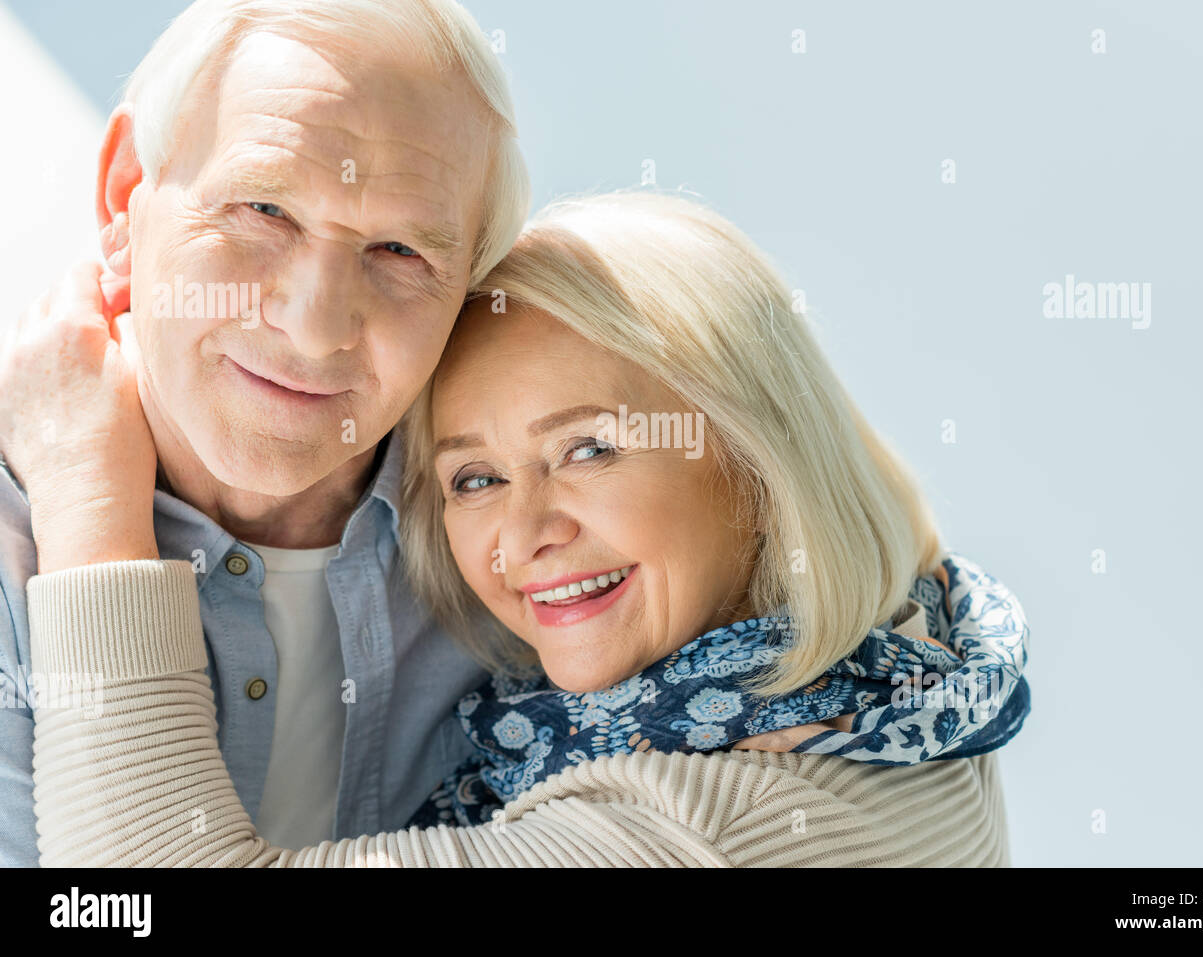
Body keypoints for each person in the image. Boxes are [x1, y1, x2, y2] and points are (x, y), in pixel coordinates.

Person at [18, 191, 1030, 866]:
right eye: (473, 475)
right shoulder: (910, 680)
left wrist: (84, 484)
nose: (523, 531)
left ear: (758, 455)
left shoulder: (703, 830)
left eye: (589, 448)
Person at [0, 0, 533, 866]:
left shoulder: (530, 548)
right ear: (125, 191)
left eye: (400, 251)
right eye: (264, 208)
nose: (317, 325)